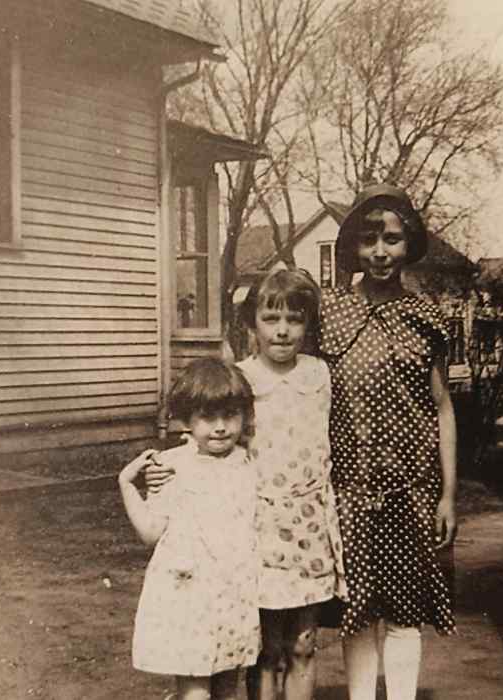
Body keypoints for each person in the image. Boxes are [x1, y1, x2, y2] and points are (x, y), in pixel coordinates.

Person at [147, 269, 346, 700]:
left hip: (310, 529)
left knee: (304, 645)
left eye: (295, 319)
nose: (283, 331)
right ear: (250, 323)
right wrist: (168, 468)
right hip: (255, 530)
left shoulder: (320, 375)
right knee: (266, 647)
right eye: (271, 319)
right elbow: (204, 434)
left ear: (308, 324)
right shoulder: (240, 378)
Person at [319, 183, 457, 700]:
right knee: (356, 609)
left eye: (393, 240)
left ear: (409, 244)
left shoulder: (427, 319)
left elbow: (442, 408)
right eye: (369, 239)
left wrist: (447, 495)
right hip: (346, 487)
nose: (380, 251)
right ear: (353, 245)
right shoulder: (328, 314)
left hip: (410, 489)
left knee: (404, 610)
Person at [118, 357, 260, 700]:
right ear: (188, 419)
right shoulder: (171, 467)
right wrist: (125, 483)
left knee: (228, 684)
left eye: (230, 415)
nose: (221, 427)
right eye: (207, 417)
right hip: (189, 596)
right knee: (195, 689)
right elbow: (150, 532)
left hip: (233, 596)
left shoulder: (250, 462)